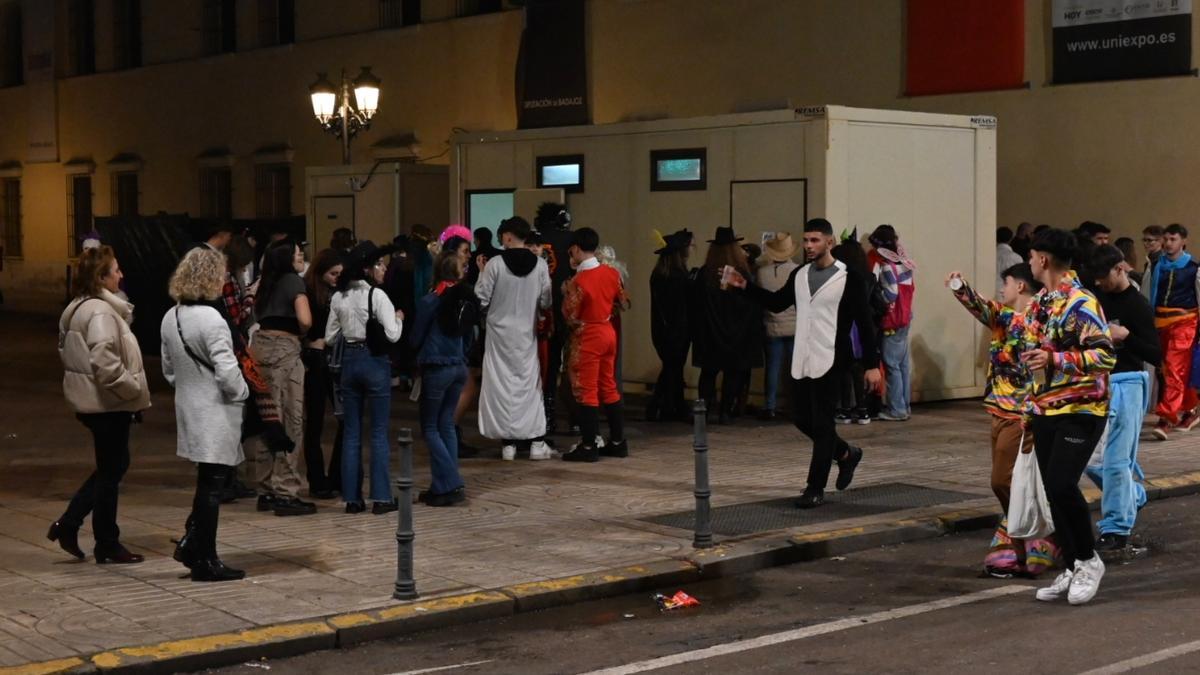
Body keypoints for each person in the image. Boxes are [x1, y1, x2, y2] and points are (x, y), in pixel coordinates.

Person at [725, 218, 881, 508]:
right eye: (806, 240)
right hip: (803, 357)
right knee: (800, 417)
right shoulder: (799, 274)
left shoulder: (850, 277)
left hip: (834, 358)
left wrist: (872, 365)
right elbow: (775, 303)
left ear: (829, 242)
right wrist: (744, 286)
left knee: (822, 423)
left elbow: (865, 322)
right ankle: (847, 453)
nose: (809, 246)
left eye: (815, 240)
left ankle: (814, 487)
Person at [1022, 228, 1115, 606]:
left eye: (1031, 256)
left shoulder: (1081, 303)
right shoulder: (1042, 302)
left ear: (1043, 259)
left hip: (1082, 408)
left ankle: (1090, 560)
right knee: (1052, 492)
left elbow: (1105, 356)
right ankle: (1074, 563)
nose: (1028, 263)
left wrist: (1057, 359)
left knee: (1062, 484)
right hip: (1046, 407)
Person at [947, 263, 1058, 578]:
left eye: (1005, 283)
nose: (1001, 289)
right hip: (997, 411)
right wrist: (959, 286)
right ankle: (1029, 536)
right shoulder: (1003, 317)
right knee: (1010, 483)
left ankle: (1036, 536)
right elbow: (978, 305)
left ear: (1020, 286)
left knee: (1002, 481)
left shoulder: (1040, 321)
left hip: (1022, 415)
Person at [50, 246, 151, 564]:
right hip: (107, 403)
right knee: (111, 470)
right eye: (116, 270)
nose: (121, 275)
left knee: (113, 466)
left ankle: (70, 525)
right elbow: (105, 361)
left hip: (95, 401)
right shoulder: (100, 312)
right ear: (101, 277)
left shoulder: (79, 307)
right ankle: (104, 540)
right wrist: (131, 389)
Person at [161, 247, 250, 582]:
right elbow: (229, 374)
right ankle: (206, 560)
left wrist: (190, 387)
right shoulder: (212, 319)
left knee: (206, 483)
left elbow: (169, 370)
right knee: (212, 487)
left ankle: (192, 545)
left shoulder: (171, 316)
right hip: (216, 411)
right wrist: (242, 393)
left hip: (189, 409)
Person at [1085, 245, 1162, 555]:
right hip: (1095, 384)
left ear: (1121, 269)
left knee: (1116, 462)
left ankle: (1116, 529)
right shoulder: (1093, 297)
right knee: (1090, 460)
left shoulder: (1138, 306)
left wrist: (1126, 336)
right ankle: (1133, 495)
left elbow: (1155, 355)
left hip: (1127, 384)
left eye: (1104, 277)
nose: (1100, 283)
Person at [327, 241, 405, 514]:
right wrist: (399, 319)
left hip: (349, 360)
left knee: (351, 432)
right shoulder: (378, 296)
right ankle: (381, 497)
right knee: (379, 431)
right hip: (374, 361)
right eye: (379, 264)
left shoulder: (339, 297)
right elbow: (393, 334)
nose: (383, 268)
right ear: (368, 269)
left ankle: (352, 498)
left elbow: (329, 336)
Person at [475, 216, 553, 461]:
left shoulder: (496, 264)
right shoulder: (540, 265)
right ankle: (536, 442)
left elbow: (481, 298)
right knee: (529, 387)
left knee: (500, 387)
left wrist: (481, 275)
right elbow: (546, 301)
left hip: (499, 336)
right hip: (525, 335)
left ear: (508, 236)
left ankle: (507, 444)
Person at [250, 239, 316, 517]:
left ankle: (264, 488)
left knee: (267, 417)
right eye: (299, 254)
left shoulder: (263, 282)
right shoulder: (293, 282)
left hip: (260, 348)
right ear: (288, 258)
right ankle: (286, 490)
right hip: (285, 351)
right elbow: (305, 320)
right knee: (291, 419)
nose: (302, 258)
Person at [409, 250, 476, 506]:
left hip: (436, 367)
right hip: (459, 366)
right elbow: (470, 335)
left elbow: (416, 337)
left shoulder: (431, 300)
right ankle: (440, 487)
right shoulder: (465, 299)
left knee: (429, 428)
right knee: (446, 425)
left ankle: (451, 482)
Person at [560, 228, 630, 462]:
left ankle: (589, 445)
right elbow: (624, 301)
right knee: (608, 385)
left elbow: (570, 314)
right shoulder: (611, 273)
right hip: (608, 331)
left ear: (576, 249)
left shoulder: (578, 281)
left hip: (589, 334)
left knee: (585, 388)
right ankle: (619, 441)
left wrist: (564, 293)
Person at [691, 226, 763, 424]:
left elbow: (696, 305)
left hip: (709, 334)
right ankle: (724, 412)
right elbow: (750, 303)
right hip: (734, 333)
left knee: (708, 374)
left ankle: (703, 412)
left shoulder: (705, 273)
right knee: (732, 373)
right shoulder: (741, 274)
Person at [1148, 223, 1200, 440]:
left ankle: (1166, 417)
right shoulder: (1155, 266)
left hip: (1185, 322)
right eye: (1166, 239)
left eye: (1173, 239)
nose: (1169, 244)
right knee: (1167, 369)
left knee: (1175, 367)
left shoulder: (1193, 268)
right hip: (1160, 322)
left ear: (1183, 242)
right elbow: (1148, 294)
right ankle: (1190, 408)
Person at [301, 249, 345, 499]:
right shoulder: (308, 292)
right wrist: (309, 342)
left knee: (345, 419)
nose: (337, 278)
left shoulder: (340, 292)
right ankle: (317, 480)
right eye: (332, 274)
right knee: (315, 422)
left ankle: (337, 475)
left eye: (340, 273)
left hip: (335, 359)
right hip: (316, 359)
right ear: (320, 273)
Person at [831, 235, 883, 425]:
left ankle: (845, 410)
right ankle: (863, 410)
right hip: (864, 327)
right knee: (860, 369)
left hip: (845, 327)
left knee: (845, 369)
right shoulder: (869, 277)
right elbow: (880, 304)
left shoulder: (841, 279)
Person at [535, 202, 575, 436]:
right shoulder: (571, 240)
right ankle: (576, 416)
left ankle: (546, 415)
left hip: (541, 313)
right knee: (572, 365)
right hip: (567, 312)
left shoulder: (536, 240)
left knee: (546, 366)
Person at [868, 225, 916, 422]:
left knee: (891, 365)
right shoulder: (905, 263)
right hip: (906, 317)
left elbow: (891, 293)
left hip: (892, 320)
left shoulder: (887, 266)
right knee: (903, 365)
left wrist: (878, 295)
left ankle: (896, 410)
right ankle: (905, 406)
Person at [647, 229, 694, 423]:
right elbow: (684, 305)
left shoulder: (658, 274)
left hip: (661, 329)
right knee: (673, 368)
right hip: (678, 329)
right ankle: (666, 406)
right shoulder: (679, 276)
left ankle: (667, 406)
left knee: (671, 368)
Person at [757, 233, 800, 421]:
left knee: (772, 368)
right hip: (794, 327)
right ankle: (795, 404)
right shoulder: (797, 270)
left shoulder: (761, 272)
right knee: (794, 369)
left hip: (771, 326)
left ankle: (770, 406)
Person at [996, 227, 1023, 299]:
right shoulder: (1016, 257)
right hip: (1008, 294)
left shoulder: (988, 255)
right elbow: (1021, 278)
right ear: (1011, 239)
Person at [1141, 225, 1164, 301]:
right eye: (1144, 240)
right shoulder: (1149, 260)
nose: (1145, 243)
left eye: (1149, 240)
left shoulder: (1162, 261)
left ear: (1161, 241)